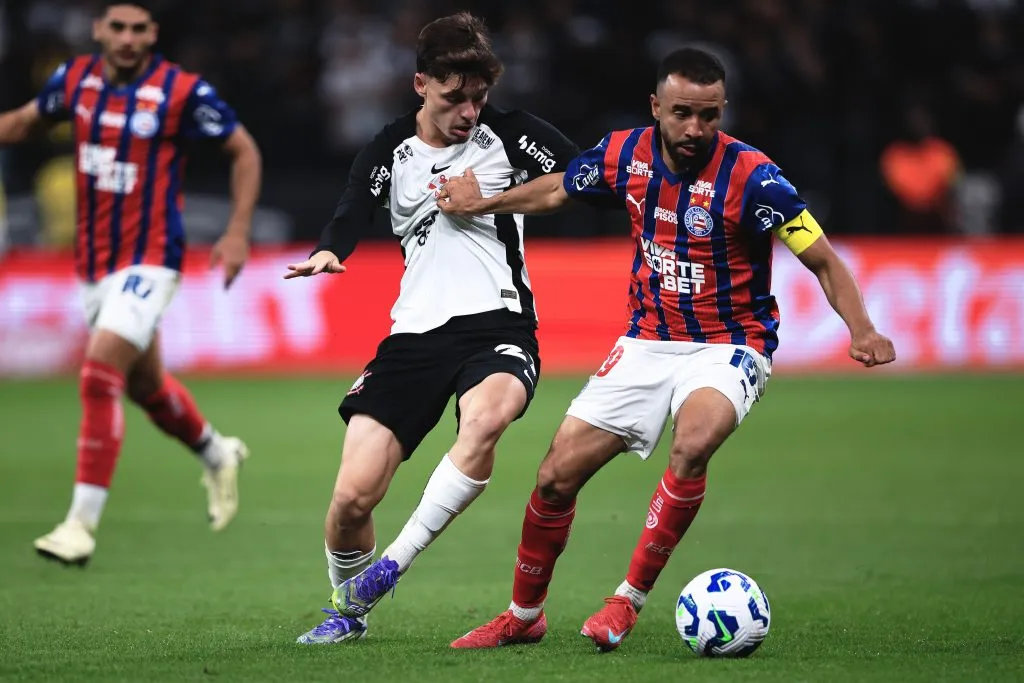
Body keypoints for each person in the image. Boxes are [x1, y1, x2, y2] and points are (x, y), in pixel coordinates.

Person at [437, 46, 896, 651]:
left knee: (694, 441)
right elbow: (558, 192)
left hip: (731, 346)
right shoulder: (623, 153)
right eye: (682, 113)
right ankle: (524, 615)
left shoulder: (754, 178)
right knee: (554, 478)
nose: (695, 129)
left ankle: (625, 601)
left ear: (722, 109)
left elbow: (822, 258)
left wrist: (861, 329)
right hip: (647, 341)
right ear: (657, 106)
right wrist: (483, 202)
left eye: (709, 115)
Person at [283, 12, 579, 644]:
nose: (469, 111)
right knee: (351, 501)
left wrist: (488, 201)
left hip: (498, 325)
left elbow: (581, 181)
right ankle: (348, 609)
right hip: (413, 337)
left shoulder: (512, 136)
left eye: (479, 97)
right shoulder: (389, 148)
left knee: (487, 420)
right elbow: (353, 207)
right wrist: (331, 249)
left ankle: (395, 563)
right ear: (421, 84)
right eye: (454, 97)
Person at [0, 1, 262, 566]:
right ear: (98, 29)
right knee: (145, 386)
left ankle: (79, 526)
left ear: (153, 34)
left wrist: (238, 231)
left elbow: (244, 150)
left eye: (137, 28)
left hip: (150, 261)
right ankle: (217, 451)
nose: (126, 37)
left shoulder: (180, 91)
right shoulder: (75, 80)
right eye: (116, 26)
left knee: (98, 374)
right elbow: (22, 122)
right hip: (93, 266)